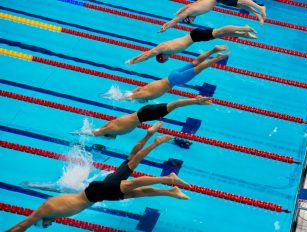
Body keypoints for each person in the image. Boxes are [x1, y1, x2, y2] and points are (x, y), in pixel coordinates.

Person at [6, 122, 190, 231]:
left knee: (131, 183)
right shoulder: (51, 211)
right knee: (132, 174)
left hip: (94, 194)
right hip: (95, 192)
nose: (48, 226)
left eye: (44, 226)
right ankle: (170, 189)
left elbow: (21, 226)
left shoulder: (43, 212)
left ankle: (168, 179)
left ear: (41, 221)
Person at [73, 95, 212, 138]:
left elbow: (97, 132)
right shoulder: (112, 127)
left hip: (144, 114)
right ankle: (196, 101)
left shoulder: (115, 129)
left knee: (174, 105)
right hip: (143, 112)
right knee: (174, 104)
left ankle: (196, 101)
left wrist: (79, 133)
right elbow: (98, 131)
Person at [123, 45, 229, 101]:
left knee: (198, 68)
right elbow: (135, 92)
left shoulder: (146, 94)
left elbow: (134, 96)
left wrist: (123, 98)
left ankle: (216, 58)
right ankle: (213, 50)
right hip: (172, 75)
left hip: (175, 80)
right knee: (195, 62)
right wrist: (128, 95)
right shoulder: (140, 89)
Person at [127, 25, 256, 64]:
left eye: (164, 60)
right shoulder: (168, 51)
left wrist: (133, 60)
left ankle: (244, 28)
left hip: (195, 36)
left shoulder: (163, 48)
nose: (167, 59)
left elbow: (148, 54)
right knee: (221, 34)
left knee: (221, 31)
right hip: (196, 38)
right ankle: (244, 34)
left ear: (162, 56)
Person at [160, 0, 267, 32]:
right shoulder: (191, 10)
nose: (193, 21)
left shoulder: (189, 11)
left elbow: (176, 20)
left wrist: (166, 26)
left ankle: (260, 8)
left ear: (187, 18)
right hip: (218, 0)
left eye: (190, 21)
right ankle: (258, 14)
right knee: (239, 5)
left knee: (240, 1)